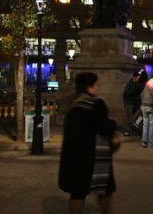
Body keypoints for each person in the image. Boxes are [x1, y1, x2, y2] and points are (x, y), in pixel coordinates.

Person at [59, 72, 117, 214]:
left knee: (78, 192)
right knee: (104, 189)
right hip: (93, 157)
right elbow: (105, 127)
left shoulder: (73, 105)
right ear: (89, 87)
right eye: (96, 85)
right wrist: (113, 124)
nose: (98, 88)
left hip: (73, 156)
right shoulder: (96, 104)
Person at [140, 76, 153, 148]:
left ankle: (144, 141)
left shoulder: (147, 83)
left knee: (145, 124)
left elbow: (141, 94)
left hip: (143, 105)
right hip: (150, 106)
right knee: (151, 124)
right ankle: (151, 144)